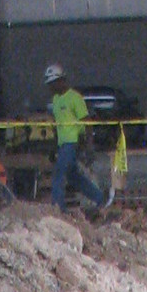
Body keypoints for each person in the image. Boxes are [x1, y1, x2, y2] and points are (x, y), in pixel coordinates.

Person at [44, 62, 110, 215]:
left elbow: (87, 123)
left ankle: (58, 210)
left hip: (72, 143)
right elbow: (57, 125)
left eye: (52, 83)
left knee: (58, 175)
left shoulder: (75, 98)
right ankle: (100, 198)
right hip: (63, 144)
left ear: (60, 81)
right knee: (73, 177)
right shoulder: (56, 100)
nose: (50, 87)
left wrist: (89, 146)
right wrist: (54, 148)